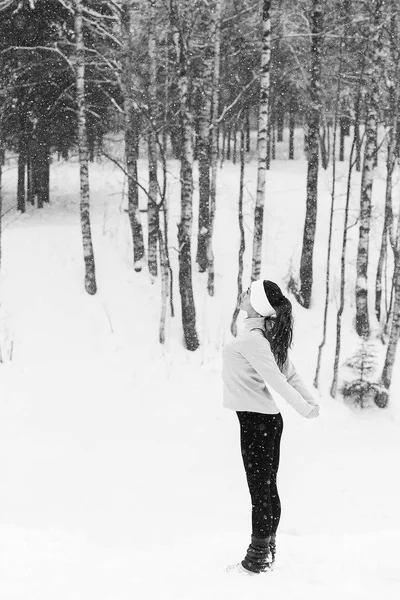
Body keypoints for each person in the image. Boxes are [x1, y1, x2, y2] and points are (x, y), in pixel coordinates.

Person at [222, 279, 320, 574]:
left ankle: (257, 558)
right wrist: (309, 402)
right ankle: (268, 548)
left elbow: (280, 379)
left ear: (259, 305)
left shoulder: (255, 340)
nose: (242, 293)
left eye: (248, 293)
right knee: (266, 487)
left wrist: (306, 407)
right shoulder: (259, 335)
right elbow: (290, 374)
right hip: (262, 422)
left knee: (259, 491)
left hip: (257, 423)